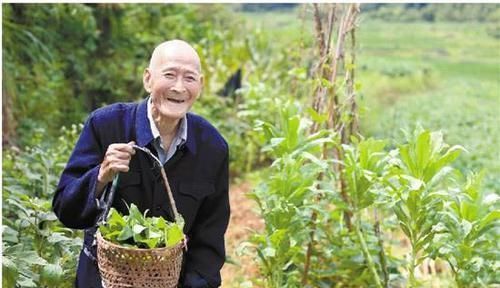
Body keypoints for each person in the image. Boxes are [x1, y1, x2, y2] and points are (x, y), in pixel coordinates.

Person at [53, 40, 230, 288]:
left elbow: (209, 238)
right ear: (148, 79)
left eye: (189, 78)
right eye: (169, 75)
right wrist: (101, 175)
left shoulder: (212, 147)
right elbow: (65, 210)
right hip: (103, 281)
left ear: (200, 85)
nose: (179, 87)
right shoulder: (105, 125)